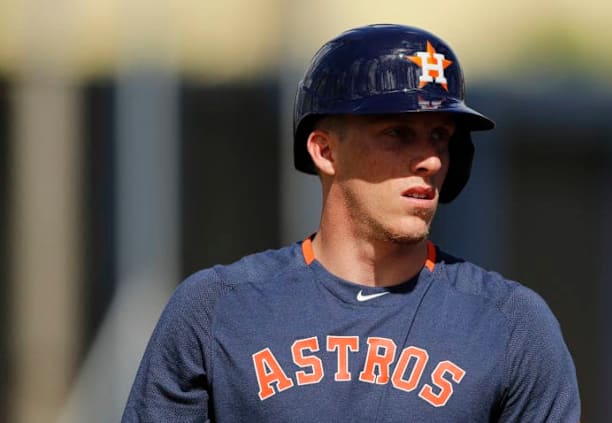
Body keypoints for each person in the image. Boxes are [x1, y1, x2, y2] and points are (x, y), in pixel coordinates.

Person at [123, 23, 581, 422]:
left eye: (440, 136)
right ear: (324, 150)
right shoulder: (217, 310)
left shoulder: (511, 324)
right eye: (396, 134)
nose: (428, 159)